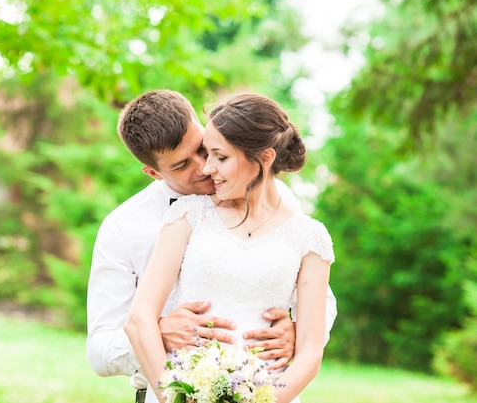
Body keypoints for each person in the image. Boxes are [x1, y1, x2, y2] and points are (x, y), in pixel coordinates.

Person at [86, 90, 337, 403]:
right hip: (175, 388)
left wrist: (297, 333)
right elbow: (100, 349)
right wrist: (160, 337)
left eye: (205, 150)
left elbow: (315, 300)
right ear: (154, 173)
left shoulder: (283, 203)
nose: (205, 167)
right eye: (181, 165)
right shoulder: (125, 227)